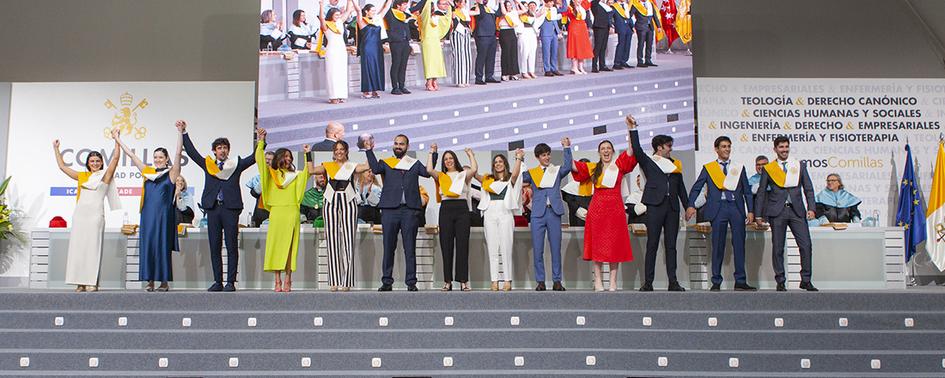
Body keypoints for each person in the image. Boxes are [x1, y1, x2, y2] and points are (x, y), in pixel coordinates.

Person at [181, 121, 256, 292]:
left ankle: (230, 282)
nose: (222, 150)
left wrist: (261, 142)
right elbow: (192, 153)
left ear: (228, 150)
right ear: (214, 151)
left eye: (225, 147)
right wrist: (184, 133)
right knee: (214, 246)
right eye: (219, 147)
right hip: (213, 209)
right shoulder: (209, 165)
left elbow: (253, 158)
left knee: (231, 246)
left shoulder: (235, 165)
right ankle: (217, 281)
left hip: (230, 209)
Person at [115, 122, 184, 292]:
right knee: (149, 246)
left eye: (161, 157)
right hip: (147, 216)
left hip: (164, 216)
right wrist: (117, 139)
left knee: (162, 246)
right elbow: (131, 155)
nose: (158, 160)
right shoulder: (147, 172)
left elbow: (177, 153)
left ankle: (164, 282)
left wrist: (180, 132)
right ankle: (150, 281)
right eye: (156, 157)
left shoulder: (172, 173)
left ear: (166, 159)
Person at [571, 123, 638, 292]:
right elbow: (574, 167)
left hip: (615, 209)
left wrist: (631, 129)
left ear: (613, 151)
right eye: (603, 148)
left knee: (614, 245)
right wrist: (566, 147)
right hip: (597, 209)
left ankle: (613, 281)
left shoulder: (619, 165)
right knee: (598, 245)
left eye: (609, 148)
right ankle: (599, 281)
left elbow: (632, 149)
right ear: (599, 152)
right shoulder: (593, 168)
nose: (606, 151)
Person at [685, 136, 758, 291]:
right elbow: (697, 187)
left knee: (739, 245)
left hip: (736, 209)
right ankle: (716, 281)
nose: (727, 149)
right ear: (716, 149)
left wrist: (750, 210)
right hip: (718, 210)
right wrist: (691, 205)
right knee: (718, 245)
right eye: (723, 146)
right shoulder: (709, 168)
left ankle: (740, 281)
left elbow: (747, 191)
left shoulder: (738, 167)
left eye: (729, 146)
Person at [627, 115, 688, 291]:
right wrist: (633, 129)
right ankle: (648, 283)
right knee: (652, 244)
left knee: (671, 246)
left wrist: (688, 205)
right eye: (668, 146)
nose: (671, 149)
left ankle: (673, 282)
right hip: (654, 206)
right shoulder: (649, 161)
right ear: (659, 148)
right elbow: (637, 148)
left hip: (672, 208)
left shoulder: (675, 164)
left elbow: (681, 187)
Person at [55, 130, 121, 292]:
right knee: (78, 249)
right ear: (88, 163)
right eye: (92, 161)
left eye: (98, 161)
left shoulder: (105, 175)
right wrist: (56, 148)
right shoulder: (82, 176)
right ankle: (80, 282)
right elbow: (62, 167)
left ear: (101, 163)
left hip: (95, 216)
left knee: (93, 249)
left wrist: (116, 140)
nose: (95, 163)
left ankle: (92, 282)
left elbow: (116, 158)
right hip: (80, 216)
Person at [365, 134, 432, 291]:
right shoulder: (386, 163)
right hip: (389, 210)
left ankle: (411, 282)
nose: (398, 146)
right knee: (388, 247)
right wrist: (369, 150)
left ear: (407, 147)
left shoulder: (414, 164)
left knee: (409, 248)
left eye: (401, 144)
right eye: (396, 143)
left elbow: (427, 173)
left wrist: (432, 154)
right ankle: (387, 282)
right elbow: (374, 169)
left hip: (409, 210)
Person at [754, 136, 818, 292]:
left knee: (806, 245)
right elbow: (761, 192)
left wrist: (812, 208)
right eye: (781, 147)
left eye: (786, 146)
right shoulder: (769, 168)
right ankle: (780, 280)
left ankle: (806, 280)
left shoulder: (799, 165)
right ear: (775, 149)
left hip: (797, 211)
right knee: (778, 248)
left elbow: (808, 188)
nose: (784, 149)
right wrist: (758, 215)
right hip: (777, 211)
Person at [308, 140, 372, 291]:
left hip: (348, 199)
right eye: (336, 149)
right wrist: (307, 154)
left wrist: (369, 150)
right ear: (333, 152)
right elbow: (311, 171)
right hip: (330, 199)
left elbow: (367, 166)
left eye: (342, 149)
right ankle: (334, 281)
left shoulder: (352, 165)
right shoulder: (327, 165)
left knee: (349, 240)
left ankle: (347, 281)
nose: (339, 152)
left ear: (346, 151)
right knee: (332, 239)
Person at [255, 129, 311, 292]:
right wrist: (261, 141)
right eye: (284, 156)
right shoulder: (270, 174)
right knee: (276, 246)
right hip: (277, 212)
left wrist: (308, 154)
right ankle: (277, 279)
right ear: (278, 158)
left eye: (289, 157)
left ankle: (288, 279)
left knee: (290, 247)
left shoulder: (295, 175)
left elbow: (307, 173)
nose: (287, 159)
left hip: (292, 211)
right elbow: (259, 159)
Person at [523, 138, 573, 291]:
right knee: (538, 249)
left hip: (553, 212)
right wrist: (519, 159)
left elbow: (568, 166)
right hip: (537, 214)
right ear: (538, 157)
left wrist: (566, 147)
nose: (547, 157)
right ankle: (541, 281)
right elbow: (516, 178)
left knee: (555, 249)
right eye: (543, 155)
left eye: (548, 154)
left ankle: (557, 281)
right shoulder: (532, 173)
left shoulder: (556, 170)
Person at [427, 145, 479, 291]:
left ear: (455, 160)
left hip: (462, 210)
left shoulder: (463, 174)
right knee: (446, 246)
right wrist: (432, 152)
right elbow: (429, 170)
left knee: (462, 246)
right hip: (446, 210)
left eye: (450, 158)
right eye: (446, 159)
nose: (448, 161)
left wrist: (470, 154)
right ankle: (447, 281)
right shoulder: (441, 175)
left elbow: (474, 169)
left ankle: (463, 281)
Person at [476, 150, 525, 291]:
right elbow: (474, 173)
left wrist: (518, 158)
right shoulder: (488, 180)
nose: (498, 164)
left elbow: (515, 173)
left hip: (505, 213)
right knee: (492, 248)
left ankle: (507, 280)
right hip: (490, 213)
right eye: (495, 162)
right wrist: (471, 155)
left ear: (505, 164)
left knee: (506, 247)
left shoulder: (511, 179)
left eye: (500, 161)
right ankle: (494, 281)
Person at [319, 0, 357, 104]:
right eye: (336, 15)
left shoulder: (340, 22)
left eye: (339, 15)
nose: (338, 16)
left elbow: (348, 10)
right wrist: (321, 5)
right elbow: (321, 18)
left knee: (341, 72)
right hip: (331, 50)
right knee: (332, 73)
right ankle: (333, 96)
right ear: (331, 15)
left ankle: (341, 95)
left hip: (341, 49)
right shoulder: (326, 25)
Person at [355, 0, 391, 99]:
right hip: (367, 47)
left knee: (377, 67)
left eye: (375, 11)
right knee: (368, 68)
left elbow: (386, 7)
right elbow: (358, 11)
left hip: (377, 47)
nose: (374, 12)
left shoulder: (377, 19)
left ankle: (375, 89)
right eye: (372, 11)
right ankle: (368, 90)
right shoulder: (362, 20)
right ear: (366, 11)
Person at [415, 0, 454, 91]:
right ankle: (429, 82)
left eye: (432, 7)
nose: (431, 9)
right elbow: (427, 7)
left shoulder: (437, 17)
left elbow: (447, 18)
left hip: (436, 41)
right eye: (430, 7)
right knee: (429, 62)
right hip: (427, 42)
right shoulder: (424, 18)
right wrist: (428, 3)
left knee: (437, 62)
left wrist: (450, 7)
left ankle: (435, 81)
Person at [385, 0, 414, 95]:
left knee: (403, 65)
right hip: (396, 42)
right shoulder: (391, 14)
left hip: (405, 42)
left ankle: (402, 85)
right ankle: (395, 87)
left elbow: (415, 9)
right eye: (404, 4)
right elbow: (386, 6)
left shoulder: (405, 14)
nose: (406, 6)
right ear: (398, 5)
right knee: (396, 64)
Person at [471, 0, 502, 85]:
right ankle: (479, 77)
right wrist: (479, 3)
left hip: (492, 35)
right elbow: (482, 14)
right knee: (481, 57)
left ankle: (489, 76)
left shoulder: (490, 8)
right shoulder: (476, 8)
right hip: (482, 35)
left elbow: (499, 14)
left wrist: (499, 3)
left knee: (491, 56)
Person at [562, 0, 593, 74]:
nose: (579, 1)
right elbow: (564, 15)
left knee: (582, 47)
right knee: (575, 47)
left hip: (582, 28)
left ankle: (581, 67)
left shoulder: (582, 7)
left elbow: (587, 6)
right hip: (574, 27)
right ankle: (574, 67)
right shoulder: (569, 8)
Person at [450, 0, 477, 87]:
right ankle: (459, 80)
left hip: (466, 32)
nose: (463, 4)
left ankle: (466, 79)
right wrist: (452, 6)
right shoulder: (454, 11)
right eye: (460, 2)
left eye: (464, 2)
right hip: (457, 32)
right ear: (456, 3)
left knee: (467, 55)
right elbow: (453, 18)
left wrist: (478, 3)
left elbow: (477, 12)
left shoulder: (466, 11)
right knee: (459, 56)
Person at [518, 2, 546, 79]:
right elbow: (529, 21)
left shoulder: (534, 15)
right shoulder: (522, 14)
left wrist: (543, 3)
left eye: (533, 6)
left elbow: (542, 12)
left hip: (532, 34)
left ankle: (531, 71)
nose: (532, 7)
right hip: (524, 33)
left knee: (532, 52)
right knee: (524, 53)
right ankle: (524, 71)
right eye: (530, 6)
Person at [561, 158, 593, 226]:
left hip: (593, 219)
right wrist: (578, 210)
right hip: (576, 219)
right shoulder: (570, 187)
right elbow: (570, 201)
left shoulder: (595, 186)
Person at [497, 0, 524, 81]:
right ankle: (505, 73)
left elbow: (524, 10)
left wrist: (518, 3)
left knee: (513, 52)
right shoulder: (503, 13)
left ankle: (514, 73)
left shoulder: (513, 12)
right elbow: (504, 13)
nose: (509, 7)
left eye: (510, 5)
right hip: (504, 32)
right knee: (506, 53)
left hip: (512, 31)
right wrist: (501, 3)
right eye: (507, 5)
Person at [247, 151, 276, 227]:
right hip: (260, 212)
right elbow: (253, 193)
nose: (267, 161)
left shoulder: (279, 177)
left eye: (270, 159)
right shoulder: (257, 178)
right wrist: (262, 183)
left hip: (275, 211)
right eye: (266, 159)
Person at [630, 0, 661, 67]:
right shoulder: (636, 5)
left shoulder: (650, 4)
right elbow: (630, 15)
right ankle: (640, 61)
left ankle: (648, 60)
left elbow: (654, 15)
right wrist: (632, 26)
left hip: (650, 27)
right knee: (641, 44)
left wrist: (658, 26)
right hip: (641, 26)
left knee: (649, 44)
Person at [538, 0, 566, 76]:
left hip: (554, 32)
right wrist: (543, 7)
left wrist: (558, 31)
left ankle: (554, 68)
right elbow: (538, 17)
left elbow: (555, 20)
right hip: (545, 32)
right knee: (546, 52)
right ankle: (547, 69)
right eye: (549, 2)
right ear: (546, 2)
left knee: (554, 51)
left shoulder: (554, 9)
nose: (551, 4)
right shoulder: (542, 8)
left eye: (552, 2)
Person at [589, 0, 614, 73]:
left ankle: (602, 65)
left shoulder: (605, 5)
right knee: (598, 47)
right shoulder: (594, 3)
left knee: (603, 47)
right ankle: (594, 66)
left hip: (606, 26)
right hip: (599, 26)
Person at [610, 0, 634, 69]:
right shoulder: (614, 6)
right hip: (620, 26)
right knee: (621, 44)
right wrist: (612, 25)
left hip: (628, 27)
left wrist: (632, 26)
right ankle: (617, 63)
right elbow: (610, 17)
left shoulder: (626, 5)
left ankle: (624, 61)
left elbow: (629, 16)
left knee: (627, 44)